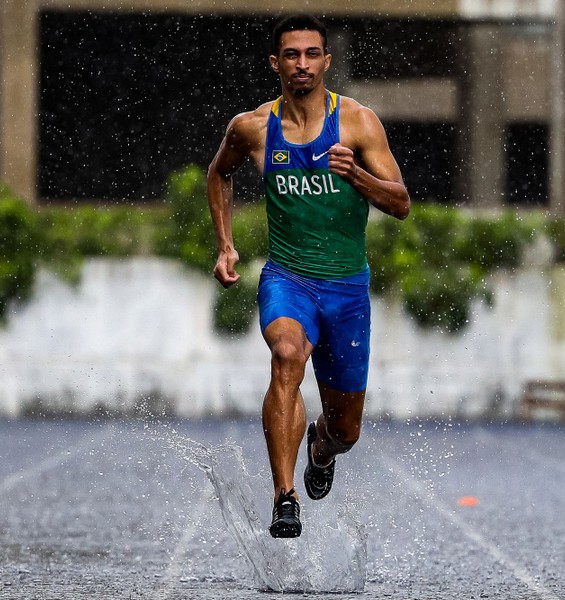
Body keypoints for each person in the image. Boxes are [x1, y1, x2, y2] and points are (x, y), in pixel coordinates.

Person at [207, 14, 410, 538]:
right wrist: (226, 244)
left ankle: (320, 449)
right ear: (276, 63)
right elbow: (219, 173)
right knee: (286, 356)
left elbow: (402, 203)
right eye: (292, 55)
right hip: (288, 278)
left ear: (326, 60)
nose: (303, 64)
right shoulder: (252, 127)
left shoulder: (359, 123)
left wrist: (357, 175)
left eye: (312, 54)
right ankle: (284, 496)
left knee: (346, 430)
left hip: (345, 290)